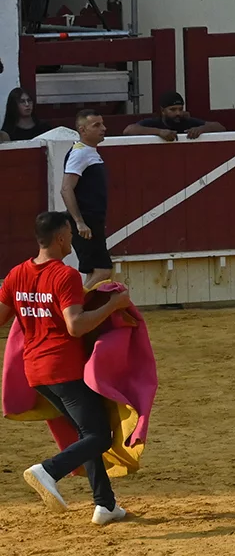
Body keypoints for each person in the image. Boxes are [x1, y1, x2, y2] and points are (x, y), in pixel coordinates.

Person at [1, 211, 136, 523]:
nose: (73, 240)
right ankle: (48, 470)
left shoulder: (16, 274)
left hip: (35, 371)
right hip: (63, 368)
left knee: (85, 431)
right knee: (99, 435)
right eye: (70, 235)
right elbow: (75, 326)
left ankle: (106, 504)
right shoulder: (65, 276)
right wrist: (112, 305)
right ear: (60, 238)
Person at [60, 111, 113, 286]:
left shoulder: (88, 152)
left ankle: (81, 308)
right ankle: (74, 308)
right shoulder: (80, 153)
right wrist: (79, 221)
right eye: (96, 125)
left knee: (94, 271)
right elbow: (66, 188)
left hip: (91, 220)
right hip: (86, 221)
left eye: (102, 124)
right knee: (102, 270)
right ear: (82, 130)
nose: (103, 129)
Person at [123, 91, 225, 140]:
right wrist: (159, 132)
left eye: (180, 109)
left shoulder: (187, 121)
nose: (178, 113)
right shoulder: (154, 123)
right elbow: (128, 130)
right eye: (173, 109)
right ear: (163, 111)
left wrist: (201, 129)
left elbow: (220, 128)